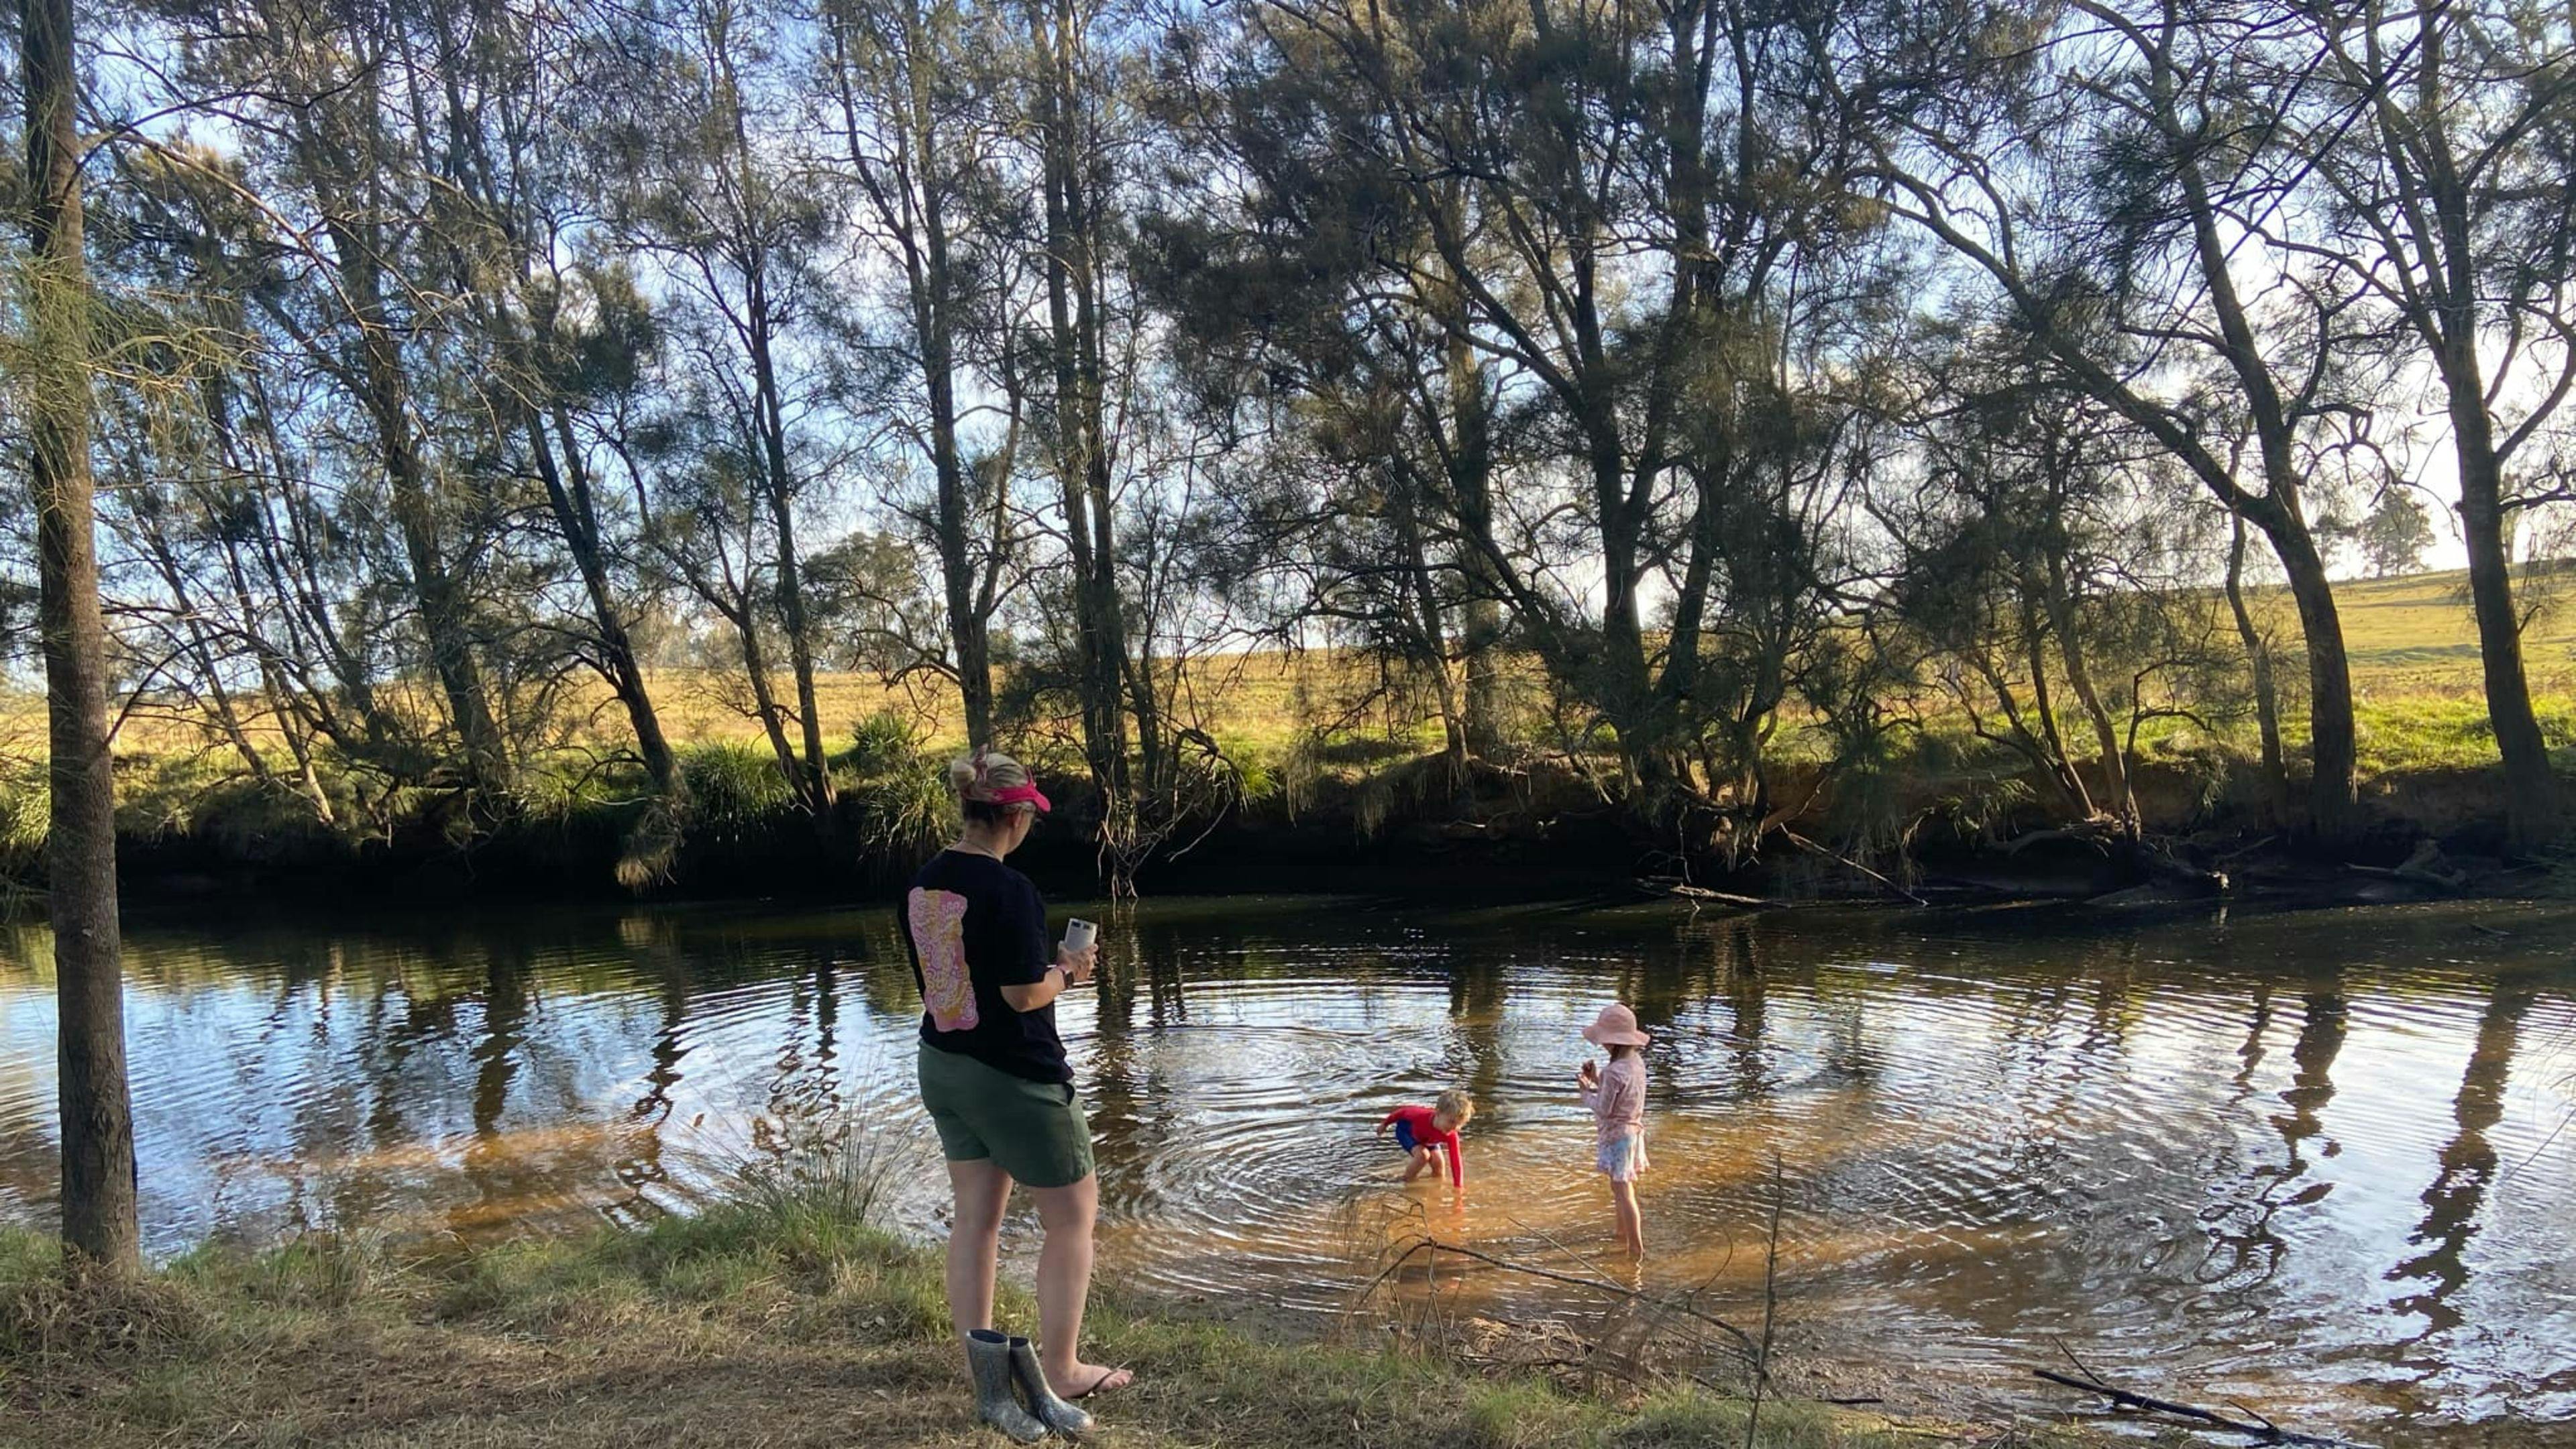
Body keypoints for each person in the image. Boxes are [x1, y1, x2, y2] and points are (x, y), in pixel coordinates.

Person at [904, 749, 1131, 1440]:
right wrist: (1068, 973)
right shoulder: (1011, 891)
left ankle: (983, 1367)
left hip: (944, 1065)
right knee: (1073, 1220)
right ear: (1016, 815)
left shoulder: (925, 882)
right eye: (1031, 813)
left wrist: (1047, 969)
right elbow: (1019, 994)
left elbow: (954, 981)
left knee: (977, 1219)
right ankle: (1060, 1370)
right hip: (1015, 1078)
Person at [1576, 1003, 1651, 1259]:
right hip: (1633, 1134)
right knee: (1620, 1187)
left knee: (1624, 1192)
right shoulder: (1636, 1063)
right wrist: (1597, 1079)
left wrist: (1585, 1090)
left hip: (1617, 1138)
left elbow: (1604, 1109)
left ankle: (1636, 1249)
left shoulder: (1613, 1071)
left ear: (1612, 1042)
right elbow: (1622, 1096)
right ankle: (1621, 1235)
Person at [1375, 1089, 1474, 1189]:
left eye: (1460, 1124)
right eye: (1452, 1122)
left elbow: (1456, 1161)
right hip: (1406, 1132)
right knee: (1423, 1155)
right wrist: (1385, 1124)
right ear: (1438, 1113)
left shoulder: (1452, 1134)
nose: (1455, 1127)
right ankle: (1407, 1183)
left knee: (1439, 1163)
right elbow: (1402, 1112)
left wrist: (1458, 1188)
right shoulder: (1420, 1116)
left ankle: (1435, 1191)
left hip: (1428, 1140)